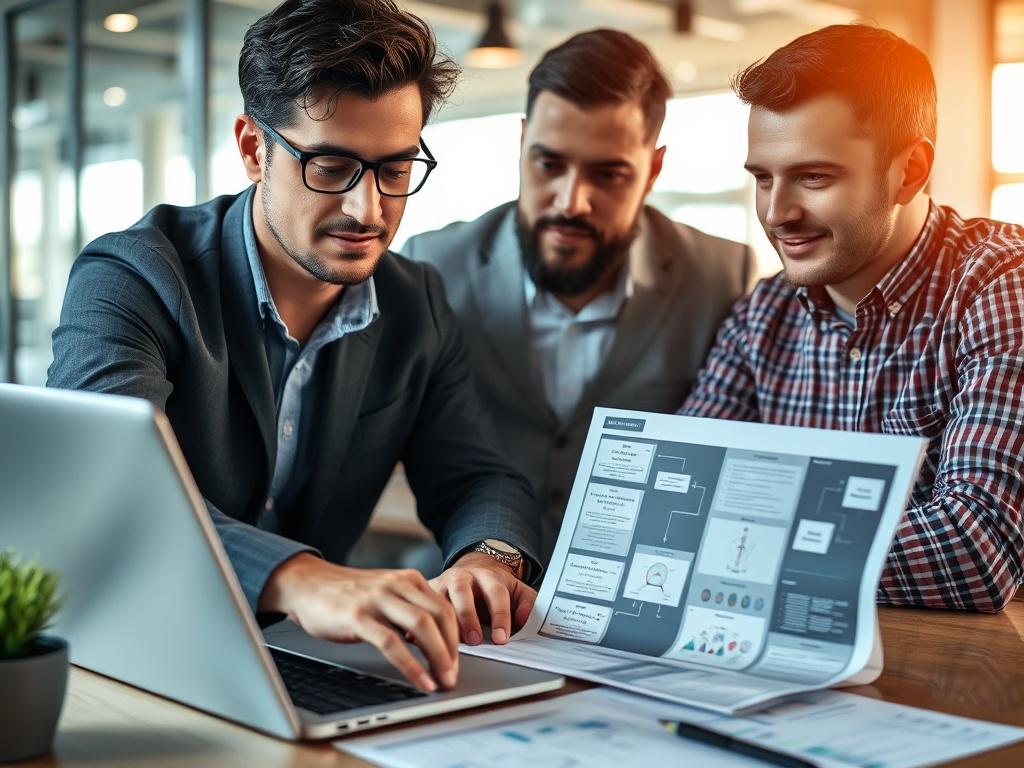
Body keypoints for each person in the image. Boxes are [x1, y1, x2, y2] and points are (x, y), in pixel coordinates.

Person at [46, 0, 544, 693]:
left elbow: (480, 477)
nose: (367, 210)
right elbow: (106, 485)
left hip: (297, 667)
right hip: (127, 658)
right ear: (254, 149)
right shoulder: (135, 277)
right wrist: (301, 578)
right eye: (332, 166)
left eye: (395, 169)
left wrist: (487, 560)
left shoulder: (415, 303)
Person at [681, 24, 1024, 612]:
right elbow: (678, 502)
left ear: (910, 171)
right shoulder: (762, 314)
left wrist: (744, 545)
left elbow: (976, 548)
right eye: (762, 178)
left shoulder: (998, 285)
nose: (777, 212)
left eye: (814, 177)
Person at [404, 29, 754, 560]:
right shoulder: (433, 266)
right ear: (522, 144)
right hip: (466, 585)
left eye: (608, 174)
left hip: (639, 598)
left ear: (652, 170)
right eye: (549, 165)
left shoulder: (723, 278)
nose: (572, 202)